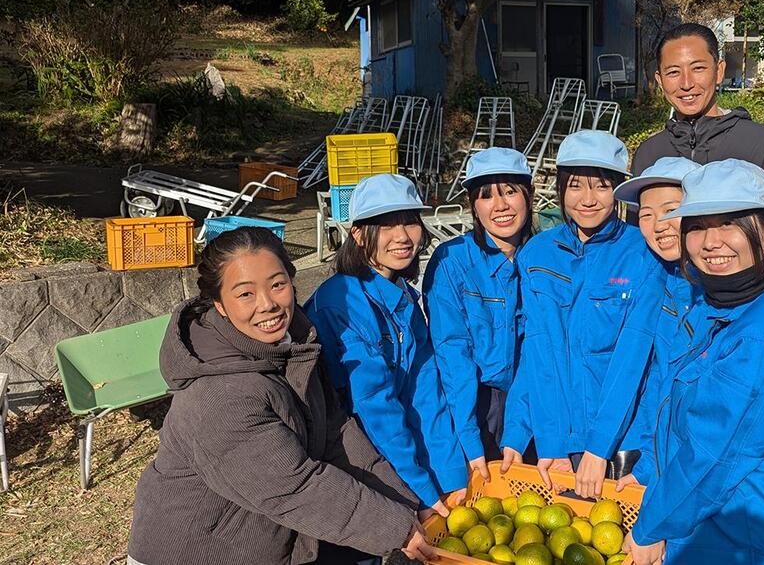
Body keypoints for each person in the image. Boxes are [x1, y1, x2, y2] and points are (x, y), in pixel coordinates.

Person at [127, 227, 432, 565]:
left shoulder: (292, 349)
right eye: (245, 294)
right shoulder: (219, 397)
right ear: (219, 305)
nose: (268, 305)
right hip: (196, 550)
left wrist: (407, 504)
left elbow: (337, 434)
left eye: (277, 284)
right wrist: (396, 528)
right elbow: (297, 487)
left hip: (263, 535)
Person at [625, 159, 764, 565]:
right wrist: (651, 472)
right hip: (719, 521)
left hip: (755, 538)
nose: (711, 242)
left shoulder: (763, 342)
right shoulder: (724, 303)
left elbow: (713, 458)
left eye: (728, 223)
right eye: (698, 225)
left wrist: (652, 527)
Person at [500, 130, 664, 488]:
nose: (587, 199)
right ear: (561, 190)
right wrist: (516, 432)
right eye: (575, 185)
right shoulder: (537, 255)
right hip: (553, 442)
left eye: (602, 186)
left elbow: (632, 361)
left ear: (619, 190)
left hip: (618, 441)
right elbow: (536, 353)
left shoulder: (644, 255)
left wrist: (598, 447)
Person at [304, 174, 468, 518]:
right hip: (352, 459)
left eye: (409, 221)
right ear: (358, 234)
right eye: (385, 224)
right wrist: (423, 493)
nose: (402, 236)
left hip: (392, 453)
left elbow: (425, 393)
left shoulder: (404, 294)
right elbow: (376, 409)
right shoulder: (343, 304)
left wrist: (452, 477)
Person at [631, 22, 764, 297]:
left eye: (698, 68)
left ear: (719, 71)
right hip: (668, 307)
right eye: (673, 72)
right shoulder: (649, 154)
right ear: (659, 80)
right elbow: (639, 239)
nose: (686, 84)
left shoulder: (763, 145)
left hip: (748, 303)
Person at [573, 156, 702, 498]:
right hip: (656, 459)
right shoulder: (662, 275)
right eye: (646, 215)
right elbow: (651, 381)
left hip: (694, 473)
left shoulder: (717, 292)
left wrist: (656, 471)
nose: (659, 224)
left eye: (671, 209)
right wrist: (644, 465)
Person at [422, 148, 534, 482]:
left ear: (528, 197)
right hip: (476, 401)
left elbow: (542, 351)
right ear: (473, 205)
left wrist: (519, 426)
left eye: (510, 192)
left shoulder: (544, 258)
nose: (500, 206)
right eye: (486, 196)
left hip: (534, 397)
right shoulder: (452, 261)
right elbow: (452, 351)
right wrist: (469, 438)